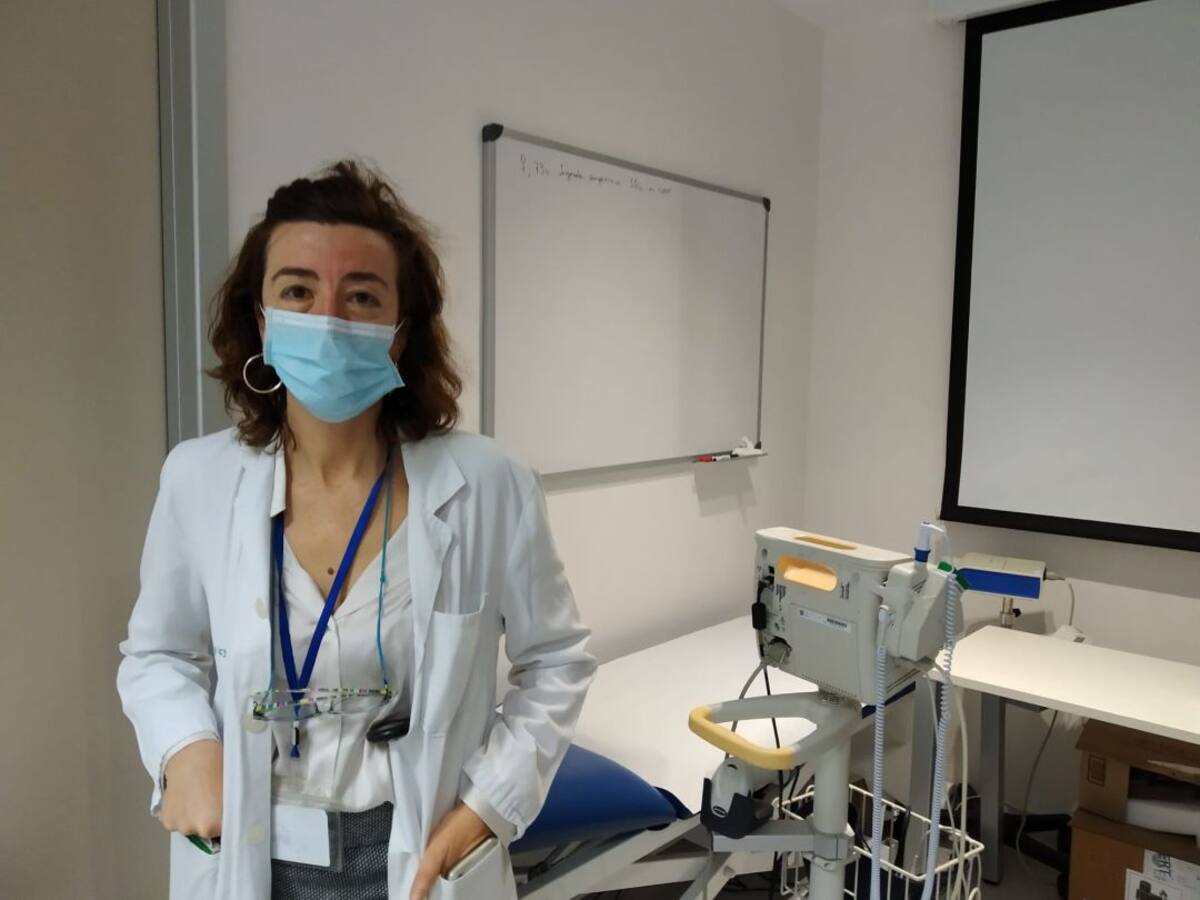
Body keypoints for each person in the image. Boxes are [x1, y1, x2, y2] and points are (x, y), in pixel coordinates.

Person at [116, 160, 596, 900]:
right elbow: (158, 653)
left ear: (400, 335)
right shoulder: (197, 479)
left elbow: (557, 660)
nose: (329, 319)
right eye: (298, 291)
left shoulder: (489, 483)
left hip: (417, 854)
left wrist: (487, 807)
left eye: (362, 296)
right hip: (248, 845)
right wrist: (184, 745)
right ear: (261, 319)